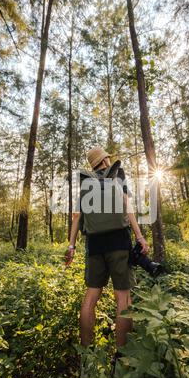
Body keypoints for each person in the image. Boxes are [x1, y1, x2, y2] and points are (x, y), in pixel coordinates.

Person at [65, 146, 149, 355]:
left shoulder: (87, 183)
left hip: (94, 245)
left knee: (91, 298)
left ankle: (87, 357)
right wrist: (139, 236)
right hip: (119, 242)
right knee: (123, 299)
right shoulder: (117, 175)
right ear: (105, 161)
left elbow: (77, 217)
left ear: (92, 164)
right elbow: (127, 207)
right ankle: (121, 359)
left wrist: (71, 246)